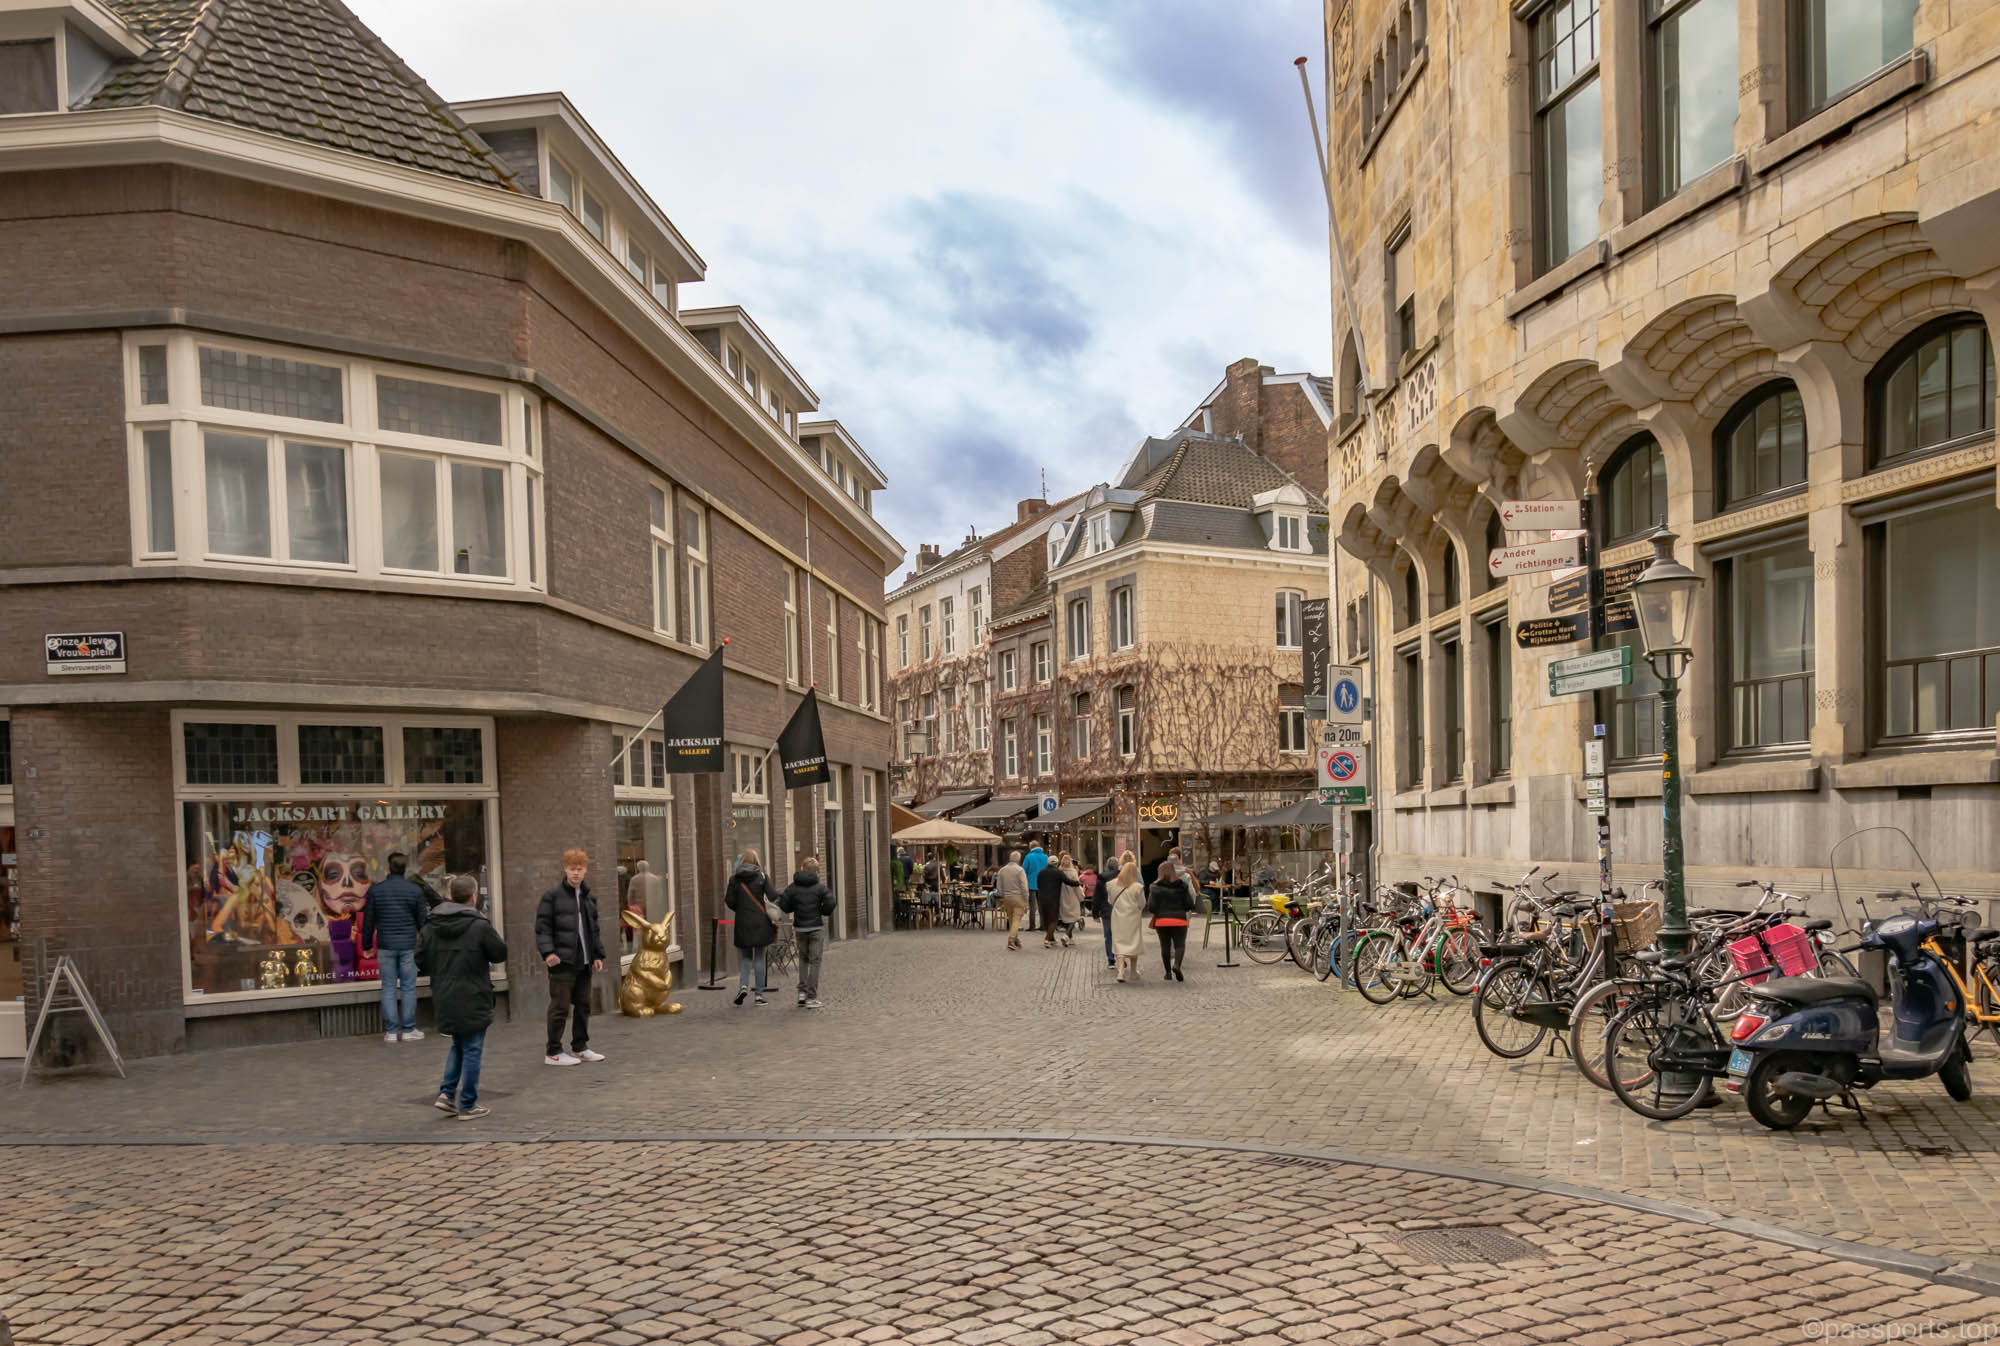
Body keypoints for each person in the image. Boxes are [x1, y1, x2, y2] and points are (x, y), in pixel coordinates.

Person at [418, 875, 508, 1120]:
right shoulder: (479, 925)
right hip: (473, 993)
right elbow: (500, 953)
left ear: (451, 896)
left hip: (444, 993)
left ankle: (447, 1095)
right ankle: (467, 1104)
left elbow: (419, 960)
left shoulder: (431, 925)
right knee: (472, 1048)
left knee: (459, 1043)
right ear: (473, 897)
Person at [535, 848, 606, 1065]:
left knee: (583, 1005)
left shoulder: (588, 898)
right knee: (560, 1007)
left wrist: (597, 955)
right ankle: (553, 1052)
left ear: (585, 871)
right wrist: (549, 952)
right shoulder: (552, 897)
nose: (576, 873)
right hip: (562, 962)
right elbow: (543, 928)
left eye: (580, 869)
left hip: (584, 962)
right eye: (572, 869)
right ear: (565, 869)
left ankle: (580, 1047)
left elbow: (593, 930)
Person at [360, 851, 429, 1043]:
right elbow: (423, 922)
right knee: (408, 988)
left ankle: (391, 1032)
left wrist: (366, 945)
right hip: (409, 946)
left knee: (388, 987)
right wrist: (424, 946)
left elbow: (368, 921)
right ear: (405, 868)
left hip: (385, 945)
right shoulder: (415, 890)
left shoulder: (376, 890)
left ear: (388, 867)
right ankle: (408, 1030)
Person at [723, 848, 779, 1005]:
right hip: (760, 922)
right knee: (760, 957)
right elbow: (773, 895)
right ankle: (759, 995)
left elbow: (729, 901)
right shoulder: (762, 876)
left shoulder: (734, 879)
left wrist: (740, 909)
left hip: (742, 922)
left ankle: (743, 986)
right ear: (756, 861)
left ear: (741, 861)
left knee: (746, 957)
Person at [781, 856, 835, 1009]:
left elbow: (784, 904)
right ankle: (811, 997)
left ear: (802, 868)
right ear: (816, 871)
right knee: (815, 962)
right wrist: (823, 911)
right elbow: (831, 902)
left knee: (803, 959)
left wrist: (794, 908)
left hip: (800, 928)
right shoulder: (820, 887)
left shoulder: (792, 887)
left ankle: (802, 993)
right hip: (816, 928)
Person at [1145, 858, 1199, 982]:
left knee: (1165, 946)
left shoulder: (1154, 887)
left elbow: (1151, 907)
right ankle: (1177, 965)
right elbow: (1189, 905)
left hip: (1162, 921)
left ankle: (1168, 973)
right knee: (1180, 945)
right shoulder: (1182, 885)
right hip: (1179, 920)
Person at [1107, 854, 1148, 983]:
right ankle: (1133, 972)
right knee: (1133, 943)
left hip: (1117, 917)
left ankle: (1120, 972)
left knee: (1119, 942)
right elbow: (1142, 904)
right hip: (1133, 918)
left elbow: (1110, 901)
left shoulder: (1111, 884)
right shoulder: (1137, 887)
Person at [1036, 852, 1082, 949]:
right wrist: (1077, 883)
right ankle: (1047, 939)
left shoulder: (1041, 872)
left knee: (1046, 919)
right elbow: (1067, 881)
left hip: (1041, 898)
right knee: (1054, 920)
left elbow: (1038, 884)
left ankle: (1052, 938)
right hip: (1053, 899)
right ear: (1056, 863)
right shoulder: (1058, 872)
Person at [995, 851, 1031, 950]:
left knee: (1011, 919)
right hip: (1018, 897)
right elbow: (1024, 886)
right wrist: (1026, 899)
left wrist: (1002, 897)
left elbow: (999, 886)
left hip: (1007, 897)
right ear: (1019, 859)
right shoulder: (1020, 870)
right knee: (1017, 919)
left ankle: (1016, 939)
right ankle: (1011, 940)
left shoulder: (1002, 870)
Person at [1086, 862, 1115, 969]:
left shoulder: (1102, 878)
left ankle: (1111, 960)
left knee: (1108, 935)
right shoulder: (1122, 876)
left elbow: (1096, 897)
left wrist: (1095, 914)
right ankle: (1121, 956)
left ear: (1107, 867)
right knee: (1120, 934)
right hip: (1119, 910)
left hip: (1106, 910)